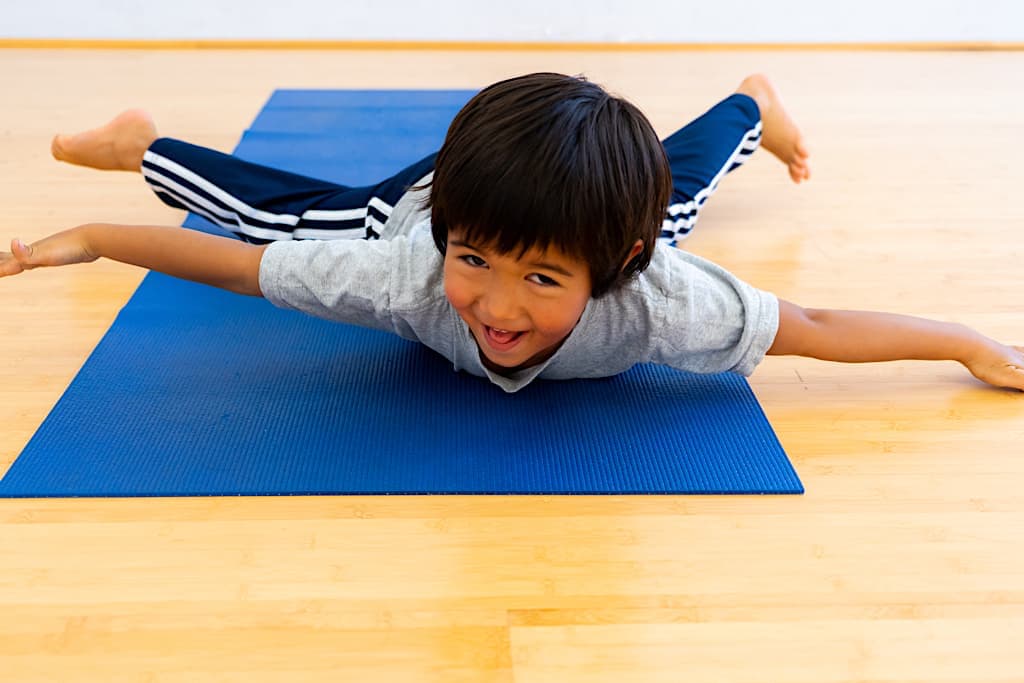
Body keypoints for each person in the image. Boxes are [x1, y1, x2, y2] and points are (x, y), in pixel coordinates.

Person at [1, 72, 1021, 393]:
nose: (494, 306)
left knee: (671, 194)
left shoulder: (660, 295)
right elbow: (234, 259)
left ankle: (751, 102)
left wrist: (968, 342)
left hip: (589, 224)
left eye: (540, 280)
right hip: (428, 196)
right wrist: (93, 231)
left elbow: (813, 319)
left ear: (616, 269)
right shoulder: (404, 271)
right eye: (478, 267)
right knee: (293, 210)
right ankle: (147, 145)